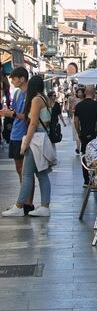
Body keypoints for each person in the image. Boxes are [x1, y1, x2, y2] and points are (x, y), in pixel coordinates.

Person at [3, 75, 53, 216]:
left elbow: (33, 123)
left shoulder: (36, 99)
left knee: (26, 174)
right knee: (42, 173)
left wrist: (25, 143)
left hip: (36, 138)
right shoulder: (45, 98)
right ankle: (44, 206)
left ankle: (19, 206)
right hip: (43, 137)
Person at [0, 67, 33, 213]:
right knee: (19, 170)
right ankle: (24, 199)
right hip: (16, 134)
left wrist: (11, 114)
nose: (12, 81)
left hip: (23, 135)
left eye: (14, 78)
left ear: (22, 79)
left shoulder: (30, 95)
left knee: (26, 171)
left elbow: (28, 116)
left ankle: (27, 203)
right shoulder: (18, 93)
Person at [74, 85, 97, 185]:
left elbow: (76, 121)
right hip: (95, 134)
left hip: (84, 133)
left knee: (84, 155)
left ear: (85, 93)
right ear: (94, 93)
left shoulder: (79, 105)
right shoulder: (96, 104)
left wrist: (79, 132)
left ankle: (86, 180)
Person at [69, 88, 85, 155]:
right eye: (78, 92)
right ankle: (78, 148)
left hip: (83, 119)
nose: (79, 94)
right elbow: (71, 110)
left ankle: (81, 147)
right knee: (76, 133)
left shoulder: (85, 101)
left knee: (82, 132)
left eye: (80, 92)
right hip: (76, 118)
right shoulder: (74, 101)